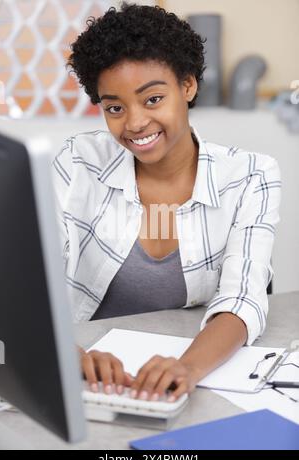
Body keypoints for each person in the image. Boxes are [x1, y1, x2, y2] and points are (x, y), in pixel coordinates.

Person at [52, 3, 281, 403]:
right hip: (91, 378)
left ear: (188, 86)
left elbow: (242, 297)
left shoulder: (250, 176)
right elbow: (28, 282)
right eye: (115, 108)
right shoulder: (78, 163)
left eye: (153, 99)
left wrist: (187, 368)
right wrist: (64, 356)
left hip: (186, 367)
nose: (135, 122)